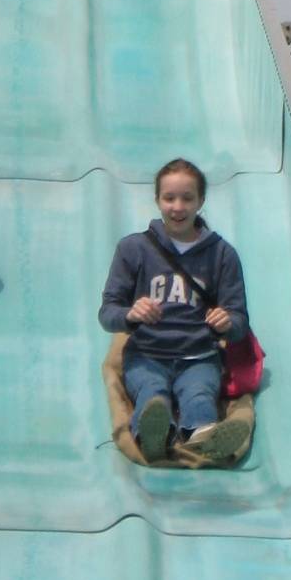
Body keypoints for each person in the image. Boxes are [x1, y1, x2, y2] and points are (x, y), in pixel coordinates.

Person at [99, 157, 250, 462]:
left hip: (199, 356)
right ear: (157, 200)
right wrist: (130, 314)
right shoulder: (133, 249)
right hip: (146, 355)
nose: (177, 207)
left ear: (201, 201)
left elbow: (239, 322)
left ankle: (204, 438)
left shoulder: (222, 255)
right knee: (153, 393)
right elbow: (108, 313)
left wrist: (226, 322)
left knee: (198, 395)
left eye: (187, 198)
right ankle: (155, 434)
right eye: (169, 198)